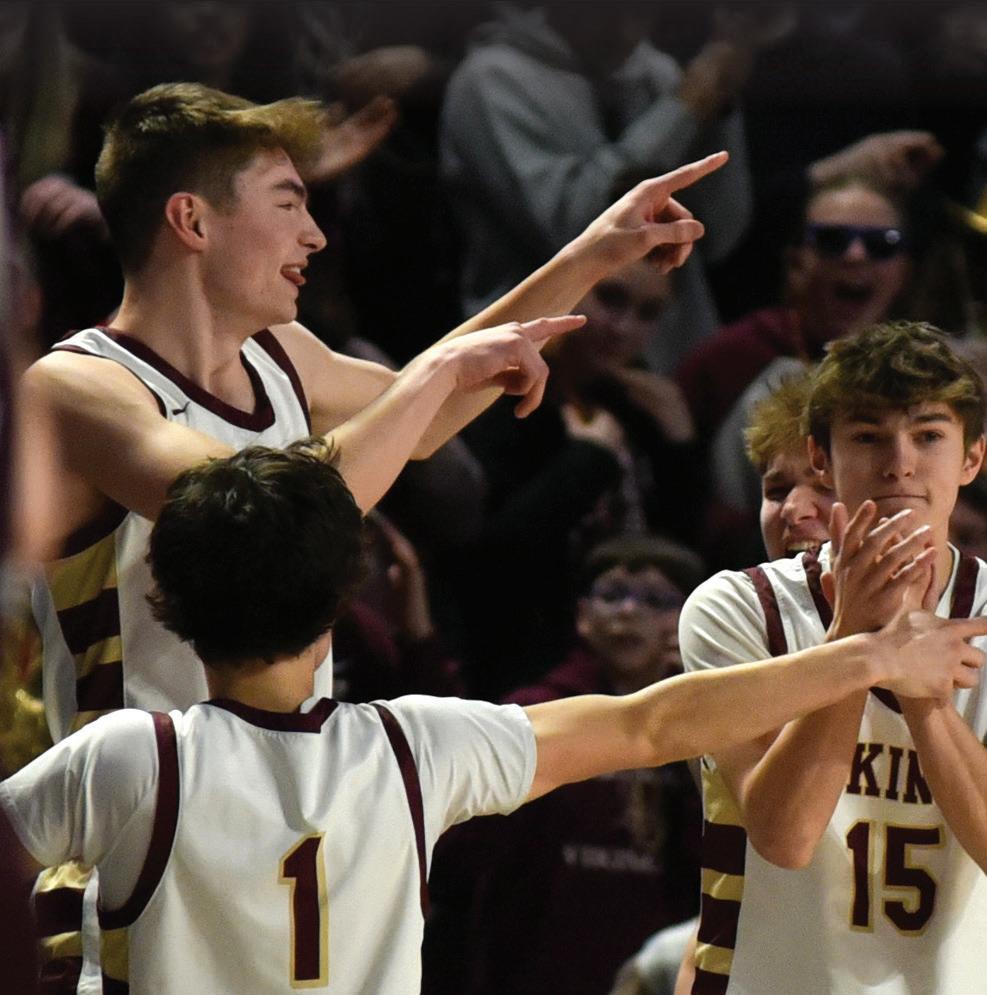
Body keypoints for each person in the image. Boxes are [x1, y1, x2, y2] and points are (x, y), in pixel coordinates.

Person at [2, 438, 984, 994]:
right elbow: (651, 723)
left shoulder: (128, 758)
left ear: (168, 596)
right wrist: (864, 654)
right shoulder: (412, 747)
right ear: (347, 598)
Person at [19, 81, 729, 740]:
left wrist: (589, 256)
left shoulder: (279, 353)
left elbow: (426, 417)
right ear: (192, 221)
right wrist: (432, 379)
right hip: (136, 798)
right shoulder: (78, 386)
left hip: (274, 778)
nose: (315, 235)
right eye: (288, 205)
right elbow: (262, 525)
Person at [682, 321, 987, 993]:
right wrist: (856, 643)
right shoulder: (738, 609)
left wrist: (924, 692)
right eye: (869, 436)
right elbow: (784, 838)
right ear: (821, 460)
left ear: (971, 458)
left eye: (928, 435)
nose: (900, 463)